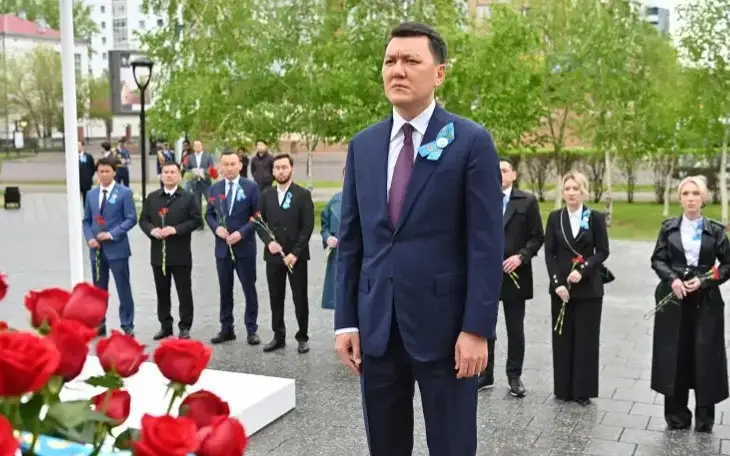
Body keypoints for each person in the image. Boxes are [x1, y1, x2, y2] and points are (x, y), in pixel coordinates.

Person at [334, 22, 503, 456]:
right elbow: (352, 239)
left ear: (440, 73)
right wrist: (346, 321)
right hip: (378, 328)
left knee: (451, 445)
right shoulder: (364, 145)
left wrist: (476, 329)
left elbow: (486, 244)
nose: (398, 70)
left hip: (447, 331)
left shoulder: (471, 142)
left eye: (411, 61)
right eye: (390, 61)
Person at [650, 175, 730, 432]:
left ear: (703, 198)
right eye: (686, 193)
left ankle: (704, 418)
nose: (691, 198)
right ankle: (676, 416)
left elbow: (727, 265)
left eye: (696, 193)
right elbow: (658, 259)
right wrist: (673, 280)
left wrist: (705, 280)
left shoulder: (716, 230)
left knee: (705, 356)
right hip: (675, 300)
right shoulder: (669, 228)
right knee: (675, 354)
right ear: (680, 198)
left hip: (705, 303)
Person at [478, 157, 544, 397]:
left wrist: (521, 257)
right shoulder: (483, 199)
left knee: (515, 328)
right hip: (488, 275)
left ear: (514, 175)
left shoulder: (526, 201)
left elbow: (537, 236)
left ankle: (514, 376)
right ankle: (485, 374)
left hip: (516, 274)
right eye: (496, 171)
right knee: (486, 326)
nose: (500, 175)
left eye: (505, 171)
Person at [543, 171, 609, 406]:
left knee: (586, 340)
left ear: (584, 191)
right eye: (567, 189)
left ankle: (583, 390)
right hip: (561, 289)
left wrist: (582, 270)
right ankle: (563, 388)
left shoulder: (595, 218)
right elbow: (549, 253)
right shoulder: (554, 217)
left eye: (575, 189)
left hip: (588, 289)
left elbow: (602, 251)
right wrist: (557, 283)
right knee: (562, 338)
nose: (571, 193)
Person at [254, 153, 314, 354]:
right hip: (274, 256)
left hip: (296, 257)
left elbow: (307, 227)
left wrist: (295, 253)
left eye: (284, 167)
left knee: (300, 298)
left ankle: (302, 336)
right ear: (273, 171)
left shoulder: (302, 195)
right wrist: (268, 241)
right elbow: (259, 223)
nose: (280, 171)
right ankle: (278, 336)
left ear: (291, 169)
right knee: (275, 297)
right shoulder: (266, 195)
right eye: (277, 168)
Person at [139, 161, 201, 340]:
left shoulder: (188, 197)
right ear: (161, 175)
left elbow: (197, 221)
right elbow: (143, 219)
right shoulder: (152, 198)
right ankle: (165, 325)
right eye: (165, 172)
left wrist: (176, 229)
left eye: (173, 172)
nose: (169, 175)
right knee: (162, 291)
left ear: (179, 176)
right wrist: (152, 230)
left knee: (184, 291)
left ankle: (185, 325)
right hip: (158, 254)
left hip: (180, 253)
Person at [205, 151, 262, 346]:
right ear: (220, 167)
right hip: (222, 248)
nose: (229, 168)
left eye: (233, 164)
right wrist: (216, 228)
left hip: (244, 247)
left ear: (240, 166)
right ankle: (226, 328)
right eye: (225, 164)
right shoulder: (214, 189)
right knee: (225, 289)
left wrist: (242, 232)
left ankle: (252, 329)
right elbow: (209, 215)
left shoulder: (251, 187)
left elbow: (257, 216)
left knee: (249, 288)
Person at [81, 157, 138, 336]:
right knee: (98, 289)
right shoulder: (91, 194)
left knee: (123, 287)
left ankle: (127, 323)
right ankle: (99, 321)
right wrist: (90, 238)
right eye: (101, 171)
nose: (104, 174)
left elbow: (131, 218)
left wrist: (112, 234)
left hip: (117, 248)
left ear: (114, 172)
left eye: (107, 171)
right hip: (97, 250)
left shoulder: (124, 193)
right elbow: (87, 220)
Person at [320, 168, 344, 310]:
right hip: (337, 256)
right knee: (337, 298)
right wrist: (328, 237)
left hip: (360, 256)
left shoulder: (368, 200)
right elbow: (324, 225)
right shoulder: (335, 200)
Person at [182, 140, 214, 229]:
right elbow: (186, 168)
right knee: (197, 204)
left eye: (199, 145)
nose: (197, 147)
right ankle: (200, 224)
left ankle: (214, 221)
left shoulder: (208, 156)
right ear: (194, 147)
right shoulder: (190, 157)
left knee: (211, 202)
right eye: (195, 146)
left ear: (202, 146)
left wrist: (203, 172)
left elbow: (211, 167)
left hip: (206, 183)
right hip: (195, 183)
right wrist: (193, 172)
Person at [78, 141, 95, 206]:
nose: (77, 147)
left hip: (86, 182)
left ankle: (86, 214)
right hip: (76, 182)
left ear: (82, 146)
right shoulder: (73, 157)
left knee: (86, 200)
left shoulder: (88, 156)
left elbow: (92, 168)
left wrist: (88, 176)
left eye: (79, 145)